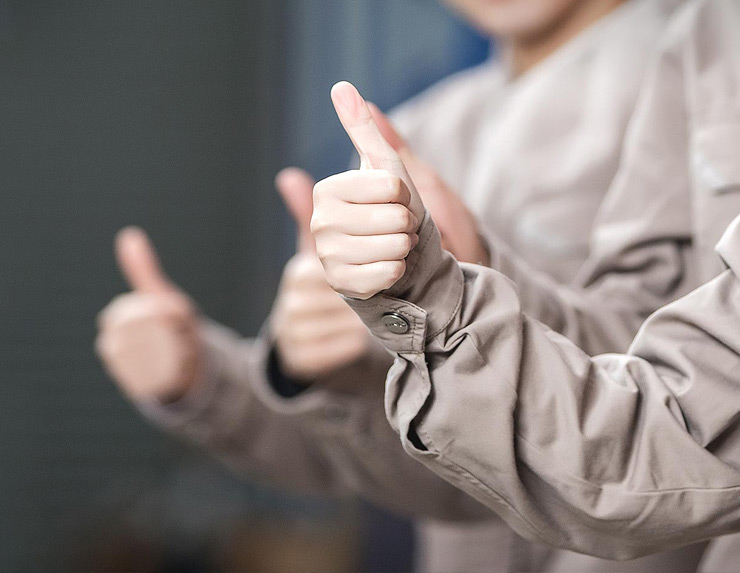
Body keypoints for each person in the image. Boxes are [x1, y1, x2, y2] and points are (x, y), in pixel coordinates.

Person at [96, 0, 688, 570]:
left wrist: (460, 289)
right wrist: (220, 379)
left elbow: (684, 407)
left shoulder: (703, 84)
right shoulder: (423, 127)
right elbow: (417, 466)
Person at [312, 0, 740, 568]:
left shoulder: (683, 47)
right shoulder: (422, 125)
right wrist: (258, 378)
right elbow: (445, 483)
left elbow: (664, 416)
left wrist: (448, 290)